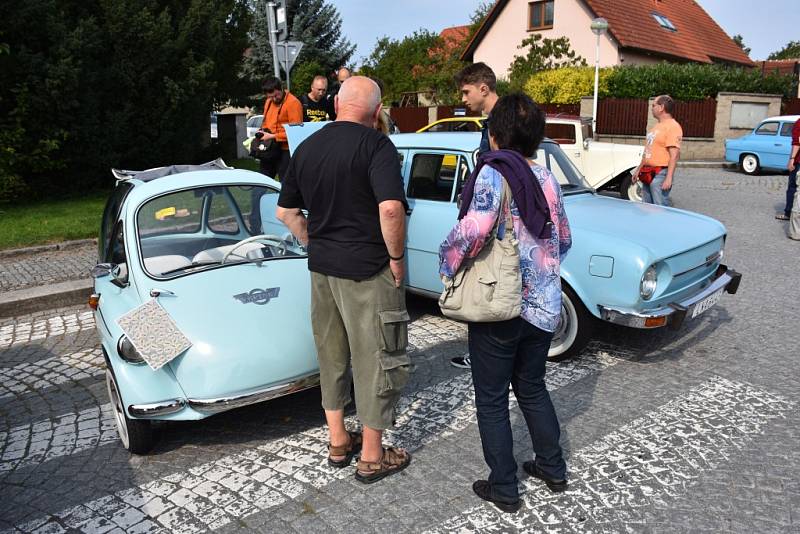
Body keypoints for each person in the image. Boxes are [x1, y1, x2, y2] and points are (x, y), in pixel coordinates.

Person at [439, 93, 572, 513]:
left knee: (492, 398)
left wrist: (448, 260)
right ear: (536, 138)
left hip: (500, 305)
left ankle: (505, 487)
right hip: (544, 305)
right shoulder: (547, 178)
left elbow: (474, 229)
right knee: (532, 387)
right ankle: (552, 467)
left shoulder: (494, 174)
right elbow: (564, 239)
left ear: (493, 136)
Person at [276, 76, 412, 484]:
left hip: (322, 268)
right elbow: (390, 209)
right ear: (376, 109)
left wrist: (312, 238)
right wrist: (397, 257)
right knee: (376, 356)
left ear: (336, 104)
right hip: (368, 269)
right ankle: (371, 455)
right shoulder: (377, 145)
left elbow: (286, 212)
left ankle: (338, 440)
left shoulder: (308, 146)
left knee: (331, 352)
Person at [449, 61, 500, 370]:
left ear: (484, 88)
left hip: (491, 220)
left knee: (484, 288)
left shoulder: (501, 123)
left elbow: (498, 174)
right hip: (493, 217)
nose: (463, 100)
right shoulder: (496, 120)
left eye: (467, 92)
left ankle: (485, 357)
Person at [632, 95, 683, 206]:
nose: (652, 108)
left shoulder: (673, 127)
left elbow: (674, 155)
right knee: (647, 208)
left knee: (660, 209)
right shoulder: (657, 126)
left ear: (661, 107)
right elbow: (648, 151)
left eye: (653, 105)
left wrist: (668, 178)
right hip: (647, 172)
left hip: (660, 174)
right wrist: (638, 169)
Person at [258, 76, 303, 180]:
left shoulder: (293, 103)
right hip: (270, 149)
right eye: (270, 97)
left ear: (281, 88)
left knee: (286, 185)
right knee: (261, 183)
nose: (273, 99)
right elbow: (266, 123)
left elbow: (296, 133)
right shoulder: (268, 102)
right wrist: (262, 132)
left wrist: (273, 136)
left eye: (276, 95)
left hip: (285, 151)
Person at [776, 116, 800, 221]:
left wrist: (792, 159)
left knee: (793, 187)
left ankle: (789, 212)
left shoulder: (799, 123)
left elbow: (797, 143)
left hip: (799, 161)